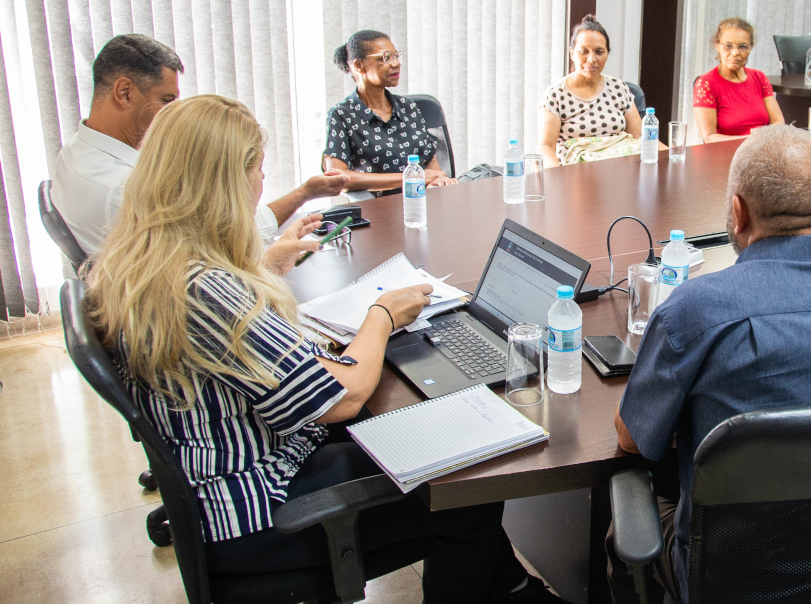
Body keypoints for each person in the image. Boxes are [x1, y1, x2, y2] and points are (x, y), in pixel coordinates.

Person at [85, 94, 564, 603]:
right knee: (468, 490)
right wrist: (381, 316)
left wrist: (262, 267)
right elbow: (347, 397)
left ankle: (512, 588)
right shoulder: (206, 290)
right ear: (223, 183)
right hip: (260, 512)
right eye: (258, 170)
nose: (261, 184)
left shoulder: (145, 261)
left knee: (431, 438)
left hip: (228, 470)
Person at [607, 124, 811, 603]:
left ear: (737, 213)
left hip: (733, 583)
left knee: (625, 525)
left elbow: (633, 440)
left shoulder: (695, 311)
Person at [53, 34, 348, 257]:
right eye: (166, 101)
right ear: (125, 92)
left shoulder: (75, 154)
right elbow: (222, 251)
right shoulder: (128, 190)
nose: (174, 113)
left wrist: (305, 192)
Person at [324, 30, 456, 192]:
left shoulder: (408, 107)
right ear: (359, 65)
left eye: (396, 56)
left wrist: (439, 179)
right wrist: (410, 178)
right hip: (380, 207)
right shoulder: (342, 115)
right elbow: (338, 177)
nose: (396, 64)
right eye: (386, 57)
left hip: (423, 199)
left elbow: (430, 161)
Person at [537, 15, 643, 167]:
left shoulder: (620, 89)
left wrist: (675, 157)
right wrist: (555, 178)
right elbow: (545, 147)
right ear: (572, 53)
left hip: (621, 172)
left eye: (599, 52)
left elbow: (639, 137)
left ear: (607, 54)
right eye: (584, 51)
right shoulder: (555, 95)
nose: (591, 59)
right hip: (576, 178)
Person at [692, 18, 785, 143]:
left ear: (750, 48)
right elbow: (709, 137)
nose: (735, 52)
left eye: (742, 47)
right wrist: (753, 140)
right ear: (718, 46)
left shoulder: (760, 78)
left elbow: (778, 122)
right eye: (728, 46)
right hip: (727, 155)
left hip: (763, 151)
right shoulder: (705, 84)